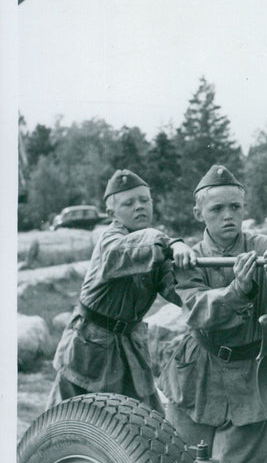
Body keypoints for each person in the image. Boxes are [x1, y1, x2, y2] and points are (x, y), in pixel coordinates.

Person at [159, 165, 267, 463]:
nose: (228, 217)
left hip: (253, 373)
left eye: (235, 207)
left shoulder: (263, 245)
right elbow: (197, 311)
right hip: (199, 371)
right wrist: (238, 290)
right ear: (199, 214)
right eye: (217, 209)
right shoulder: (189, 258)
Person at [48, 168, 195, 411]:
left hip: (130, 347)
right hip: (89, 347)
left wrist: (225, 285)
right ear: (111, 213)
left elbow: (181, 292)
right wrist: (173, 243)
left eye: (144, 200)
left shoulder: (154, 248)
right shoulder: (111, 240)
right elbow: (128, 249)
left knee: (147, 425)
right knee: (66, 428)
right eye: (129, 203)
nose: (139, 206)